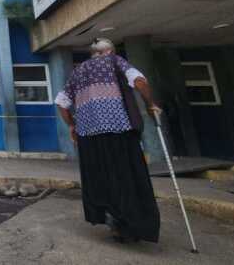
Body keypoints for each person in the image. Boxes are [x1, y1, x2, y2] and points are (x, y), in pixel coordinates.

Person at [55, 38, 162, 243]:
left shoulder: (78, 71)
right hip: (118, 130)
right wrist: (150, 104)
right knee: (127, 177)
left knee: (100, 180)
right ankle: (132, 225)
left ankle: (113, 222)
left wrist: (72, 125)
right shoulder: (116, 61)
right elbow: (139, 81)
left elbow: (61, 102)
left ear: (93, 53)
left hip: (88, 136)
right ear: (110, 51)